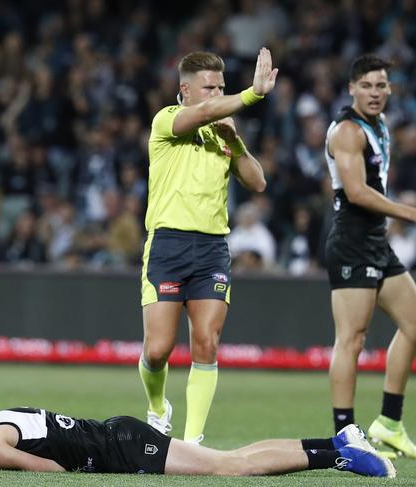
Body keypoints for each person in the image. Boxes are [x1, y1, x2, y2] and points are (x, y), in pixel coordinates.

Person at [139, 48, 276, 443]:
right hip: (167, 244)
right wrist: (252, 94)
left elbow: (258, 182)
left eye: (221, 87)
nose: (216, 94)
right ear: (185, 89)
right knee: (158, 350)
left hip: (212, 247)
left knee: (207, 342)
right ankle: (158, 406)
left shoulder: (223, 130)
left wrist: (236, 143)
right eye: (208, 87)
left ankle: (191, 442)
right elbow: (199, 115)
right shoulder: (167, 119)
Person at [324, 54, 416, 457]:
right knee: (352, 339)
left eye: (381, 86)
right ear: (352, 89)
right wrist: (410, 212)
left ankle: (389, 423)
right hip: (351, 242)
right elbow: (357, 192)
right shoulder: (347, 131)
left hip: (376, 241)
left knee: (414, 325)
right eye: (366, 86)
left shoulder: (377, 126)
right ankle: (346, 436)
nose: (375, 93)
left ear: (390, 89)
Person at [0, 406, 395, 478]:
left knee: (233, 468)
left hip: (120, 445)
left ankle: (339, 457)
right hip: (117, 436)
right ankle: (334, 439)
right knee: (234, 459)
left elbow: (52, 473)